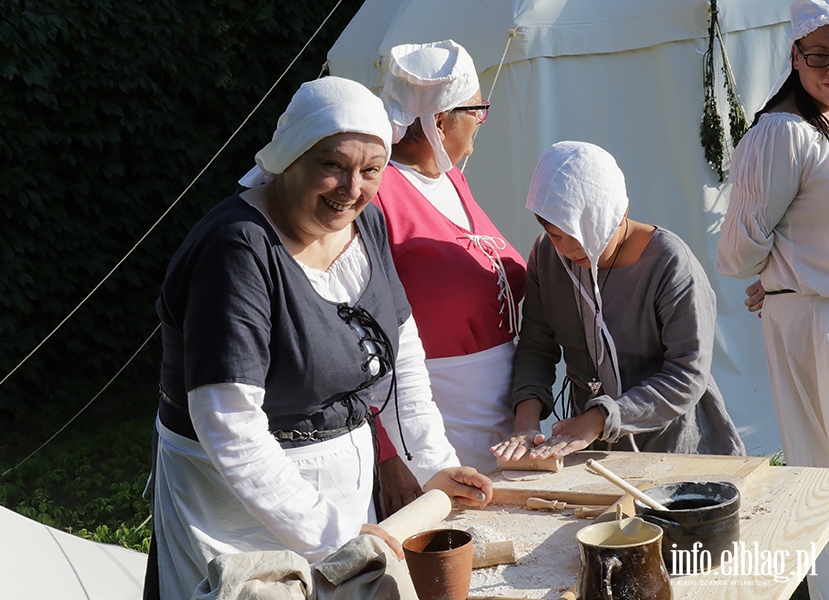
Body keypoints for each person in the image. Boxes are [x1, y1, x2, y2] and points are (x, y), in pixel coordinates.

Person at [146, 76, 492, 600]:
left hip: (342, 503)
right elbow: (229, 425)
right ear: (291, 156)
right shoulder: (238, 249)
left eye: (371, 171)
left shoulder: (366, 225)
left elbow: (402, 361)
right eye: (332, 165)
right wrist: (333, 535)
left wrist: (433, 465)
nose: (352, 188)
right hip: (235, 513)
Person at [493, 141, 744, 462]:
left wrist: (599, 419)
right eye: (558, 234)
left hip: (674, 448)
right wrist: (525, 424)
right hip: (592, 450)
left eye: (585, 233)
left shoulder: (670, 263)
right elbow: (536, 348)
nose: (570, 249)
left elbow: (687, 374)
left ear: (619, 213)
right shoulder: (546, 256)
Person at [368, 40, 526, 499]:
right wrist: (392, 452)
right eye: (477, 108)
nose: (482, 119)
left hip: (499, 419)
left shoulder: (451, 178)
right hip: (432, 423)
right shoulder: (380, 196)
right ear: (440, 120)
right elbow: (366, 329)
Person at [716, 1, 829, 596]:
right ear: (796, 54)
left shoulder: (822, 125)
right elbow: (737, 255)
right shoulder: (785, 133)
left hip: (812, 306)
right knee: (819, 475)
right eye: (822, 55)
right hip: (813, 324)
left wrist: (787, 263)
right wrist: (785, 270)